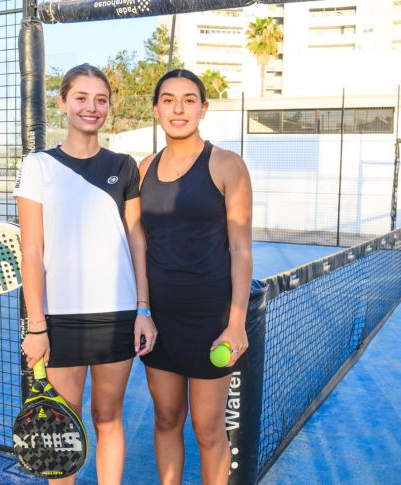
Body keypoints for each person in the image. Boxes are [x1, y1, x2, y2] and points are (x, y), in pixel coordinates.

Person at [13, 63, 158, 485]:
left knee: (108, 417)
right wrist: (37, 326)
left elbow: (137, 242)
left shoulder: (125, 166)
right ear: (62, 103)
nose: (91, 107)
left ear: (110, 105)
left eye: (100, 99)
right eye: (81, 98)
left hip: (116, 315)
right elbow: (33, 249)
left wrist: (143, 309)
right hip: (59, 321)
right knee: (63, 430)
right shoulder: (38, 166)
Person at [138, 69, 253, 485]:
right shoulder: (144, 167)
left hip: (210, 321)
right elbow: (139, 246)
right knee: (167, 419)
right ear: (156, 109)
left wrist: (236, 322)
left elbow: (241, 249)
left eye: (189, 99)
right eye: (168, 99)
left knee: (208, 430)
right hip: (159, 321)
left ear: (203, 109)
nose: (178, 108)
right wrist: (143, 310)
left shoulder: (227, 164)